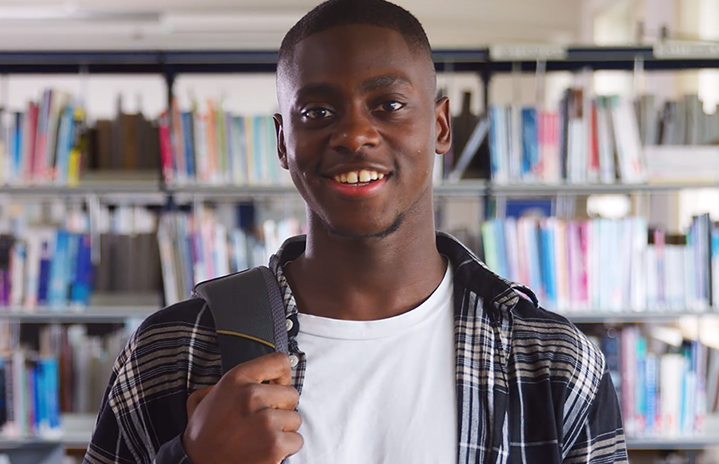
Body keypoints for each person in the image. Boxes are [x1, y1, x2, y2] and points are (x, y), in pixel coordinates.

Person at [83, 1, 628, 463]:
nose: (354, 134)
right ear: (282, 142)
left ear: (439, 126)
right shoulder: (169, 354)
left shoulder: (556, 364)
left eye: (388, 105)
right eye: (317, 111)